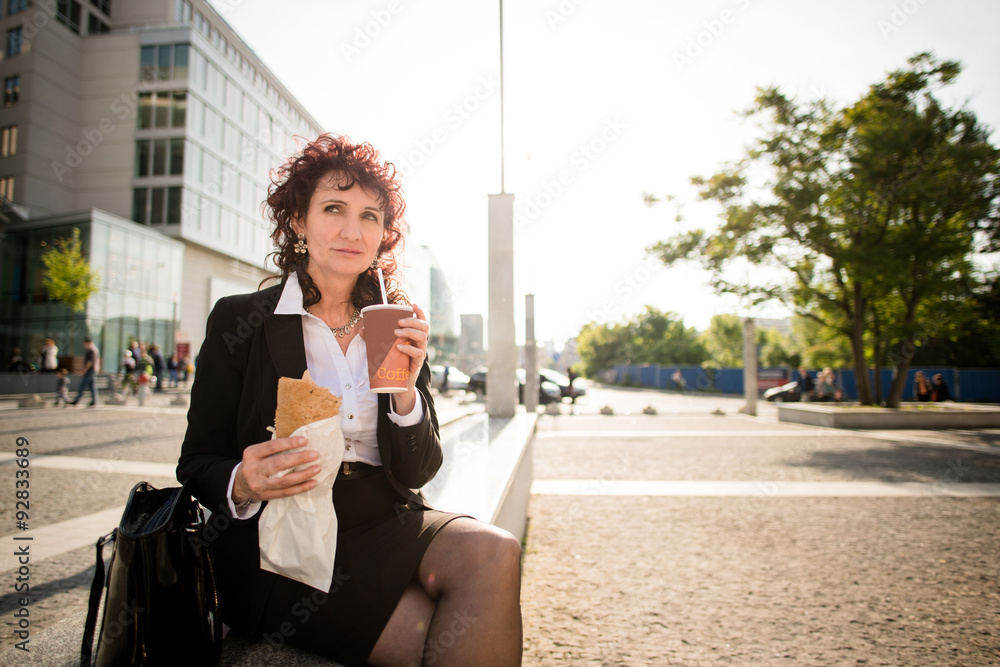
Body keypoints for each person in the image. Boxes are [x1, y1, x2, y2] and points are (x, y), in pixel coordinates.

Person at [176, 134, 522, 666]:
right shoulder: (242, 319)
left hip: (385, 520)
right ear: (298, 220)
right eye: (333, 208)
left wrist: (405, 392)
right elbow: (196, 461)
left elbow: (419, 470)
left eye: (369, 216)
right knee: (439, 638)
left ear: (383, 234)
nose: (350, 230)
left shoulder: (395, 323)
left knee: (494, 551)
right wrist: (242, 481)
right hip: (285, 539)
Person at [69, 337, 100, 406]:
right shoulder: (94, 349)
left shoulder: (91, 350)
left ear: (87, 342)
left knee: (83, 385)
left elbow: (90, 361)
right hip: (94, 370)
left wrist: (84, 370)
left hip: (90, 370)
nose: (83, 345)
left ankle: (77, 399)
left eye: (84, 343)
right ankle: (94, 400)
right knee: (92, 386)